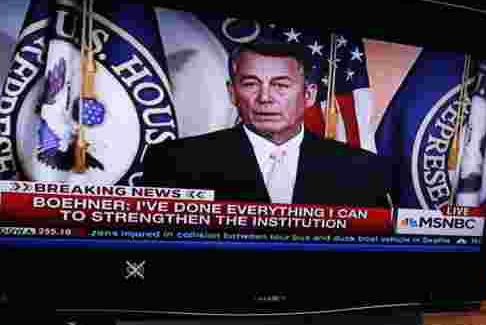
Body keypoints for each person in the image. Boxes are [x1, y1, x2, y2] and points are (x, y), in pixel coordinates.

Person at [142, 41, 392, 207]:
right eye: (250, 84)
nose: (264, 97)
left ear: (309, 95)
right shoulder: (175, 161)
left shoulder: (362, 170)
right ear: (232, 93)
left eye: (281, 85)